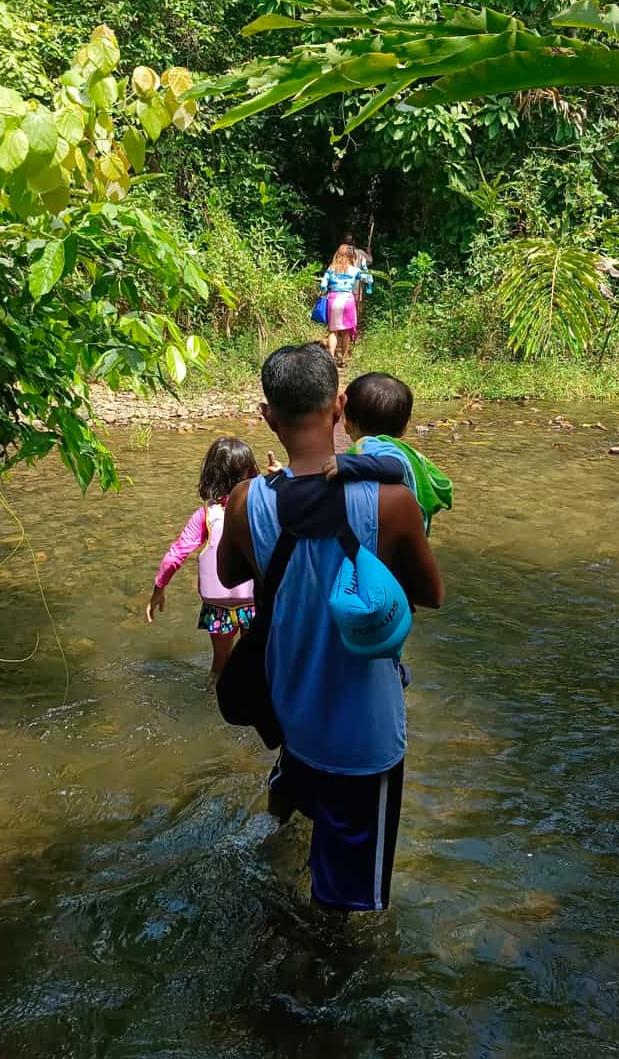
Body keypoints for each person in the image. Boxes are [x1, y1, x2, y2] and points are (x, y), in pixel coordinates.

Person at [216, 343, 444, 913]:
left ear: (267, 416)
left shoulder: (247, 500)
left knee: (296, 816)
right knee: (343, 911)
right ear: (339, 407)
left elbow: (227, 573)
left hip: (294, 721)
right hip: (363, 739)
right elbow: (431, 595)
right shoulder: (392, 503)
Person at [146, 436, 259, 681]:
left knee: (220, 666)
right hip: (253, 605)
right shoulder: (260, 508)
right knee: (255, 662)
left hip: (218, 608)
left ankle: (213, 699)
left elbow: (176, 555)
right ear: (252, 471)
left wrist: (159, 588)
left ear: (211, 475)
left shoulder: (205, 516)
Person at [323, 372, 453, 533]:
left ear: (347, 423)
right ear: (405, 427)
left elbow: (395, 466)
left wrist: (348, 463)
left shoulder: (372, 444)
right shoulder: (407, 453)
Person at [319, 243, 371, 367]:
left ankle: (331, 358)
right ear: (351, 256)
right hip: (348, 299)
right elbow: (368, 279)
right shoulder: (354, 270)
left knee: (333, 331)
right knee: (346, 332)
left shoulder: (331, 269)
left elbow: (322, 285)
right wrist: (364, 267)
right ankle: (343, 359)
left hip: (333, 299)